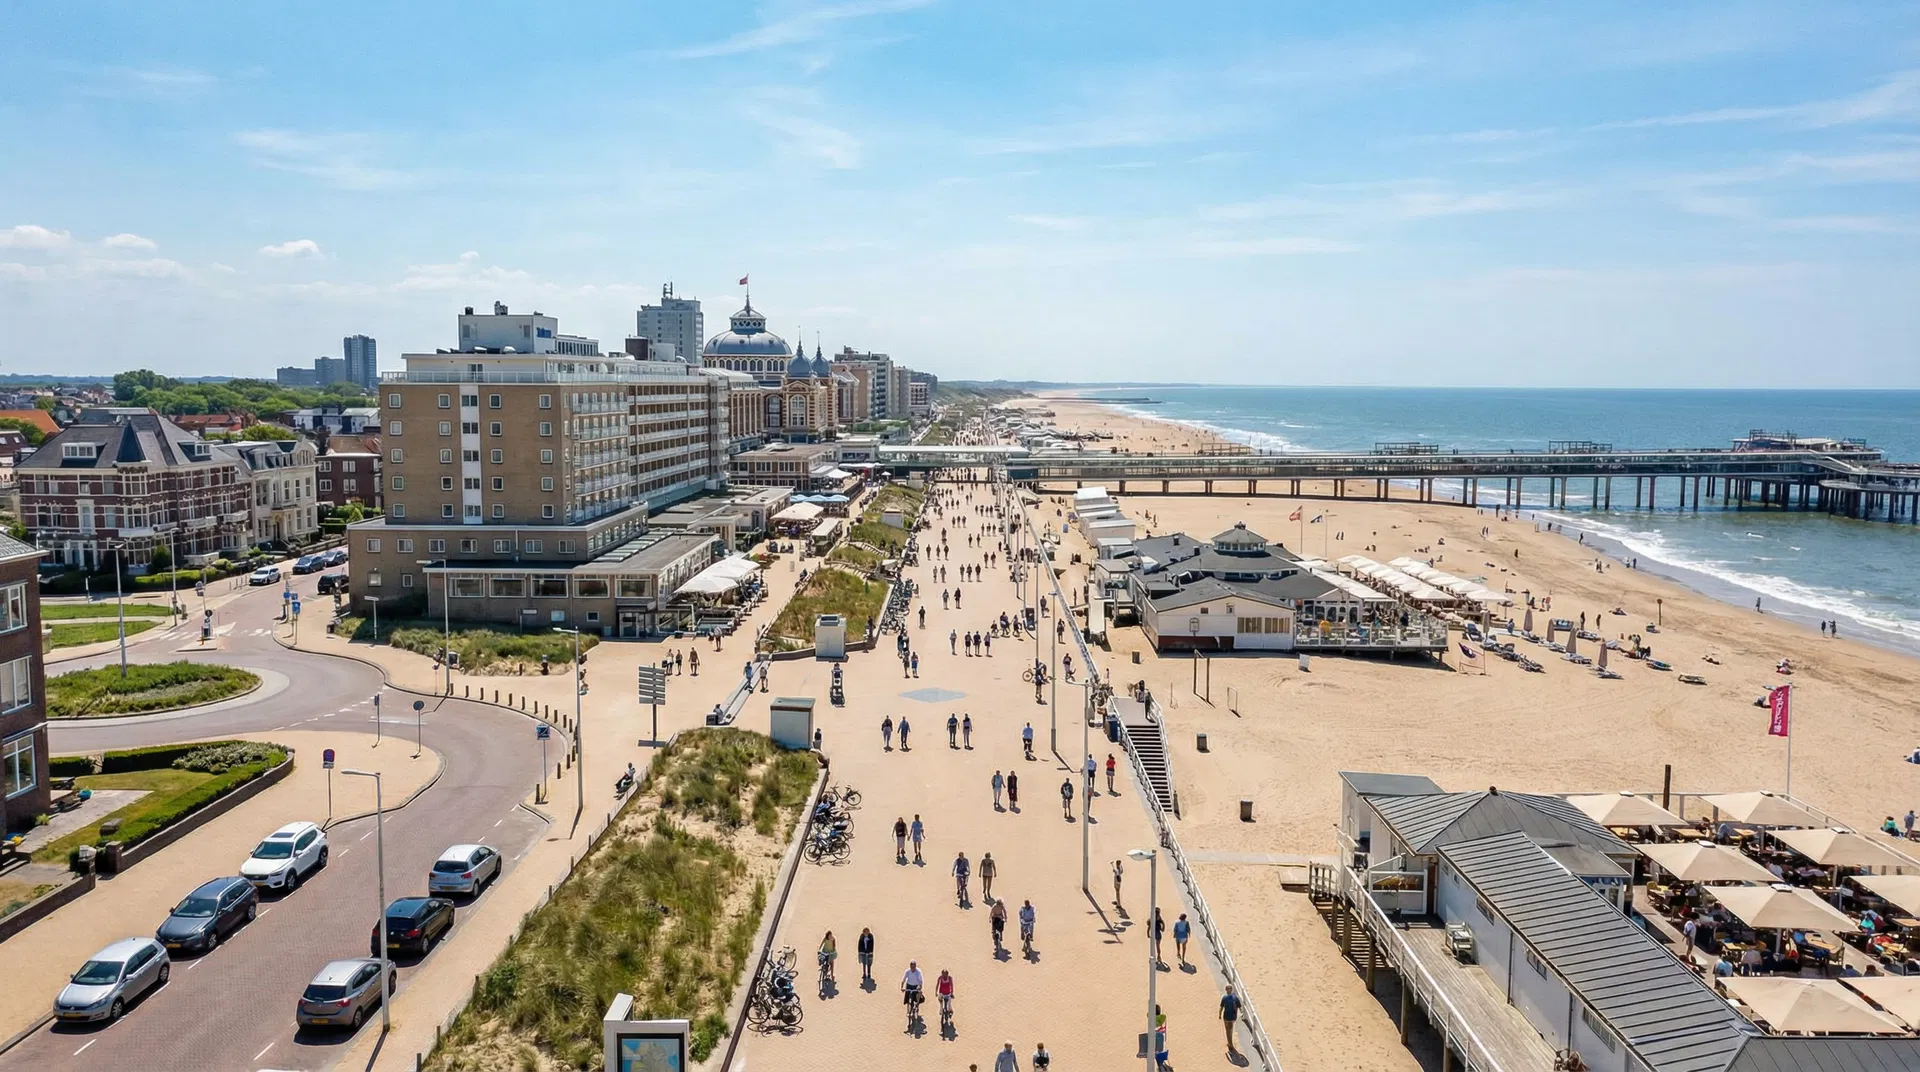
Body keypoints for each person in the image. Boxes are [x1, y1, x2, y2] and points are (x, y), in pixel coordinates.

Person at [1219, 986, 1241, 1055]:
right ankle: (1230, 1043)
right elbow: (1239, 1006)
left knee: (1227, 1030)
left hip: (1226, 1017)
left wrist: (1219, 1015)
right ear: (1231, 990)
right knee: (1231, 1030)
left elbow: (1221, 1007)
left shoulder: (1224, 998)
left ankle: (1230, 1044)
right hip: (1233, 1017)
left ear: (1226, 990)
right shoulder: (1235, 997)